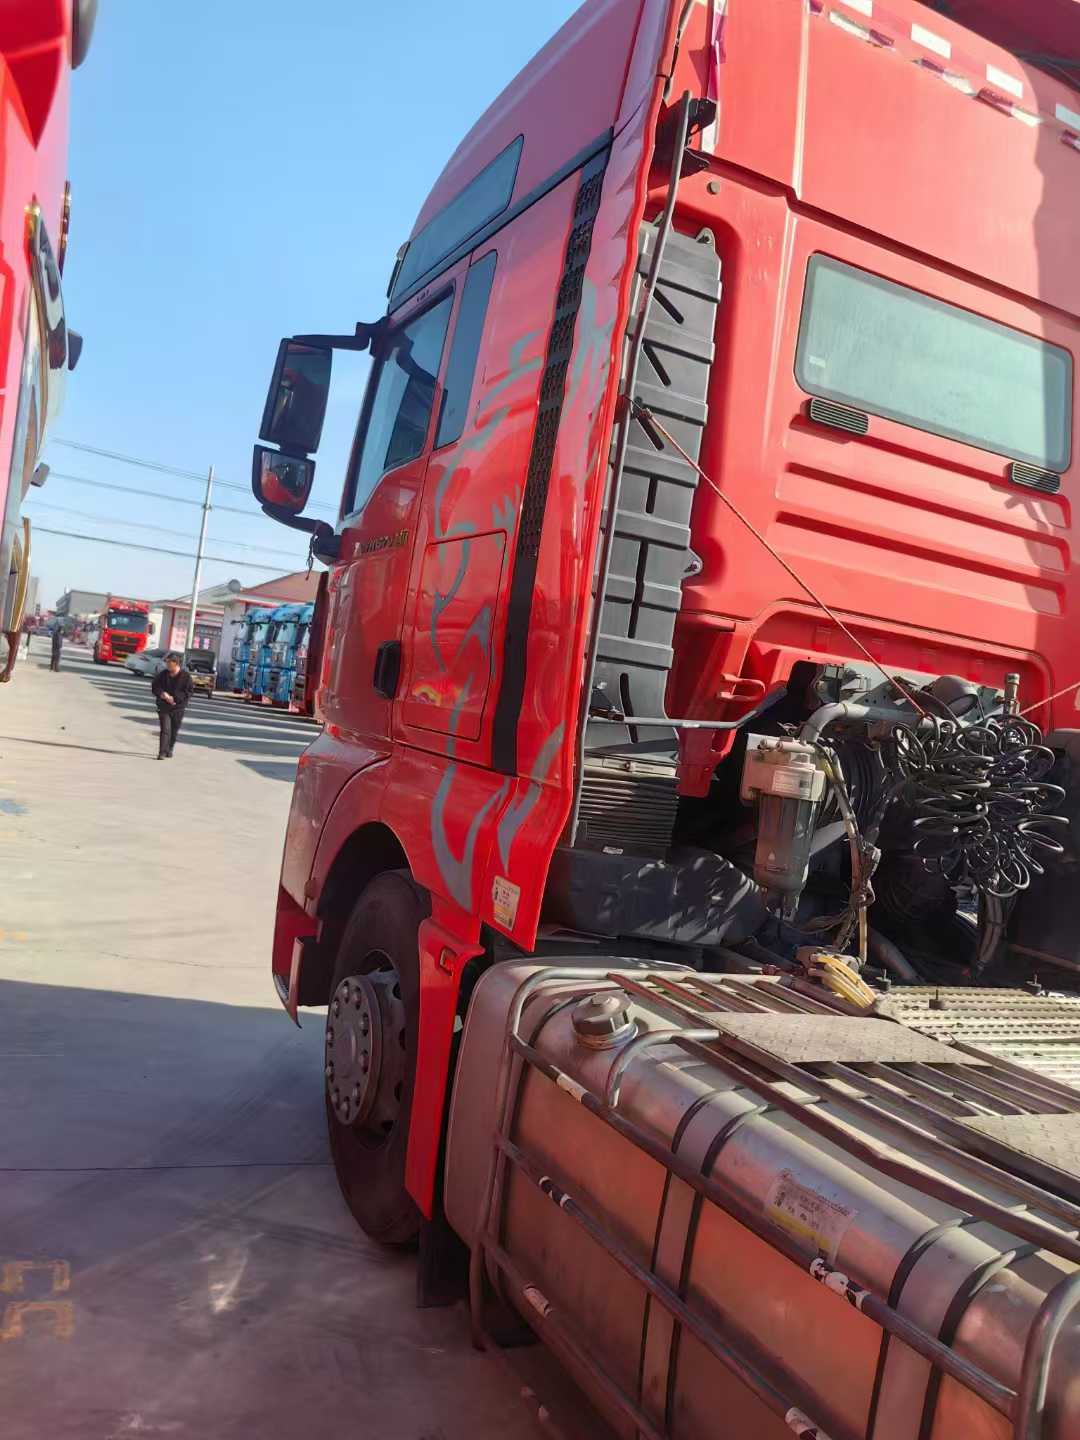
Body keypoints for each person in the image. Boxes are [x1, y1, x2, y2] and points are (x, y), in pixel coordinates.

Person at [151, 651, 193, 759]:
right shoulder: (163, 674)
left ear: (176, 663)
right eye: (167, 662)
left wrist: (175, 698)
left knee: (174, 730)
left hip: (178, 708)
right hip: (164, 706)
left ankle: (169, 749)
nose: (167, 665)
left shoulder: (186, 676)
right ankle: (162, 752)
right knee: (165, 729)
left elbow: (189, 692)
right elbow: (155, 686)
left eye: (169, 663)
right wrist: (162, 694)